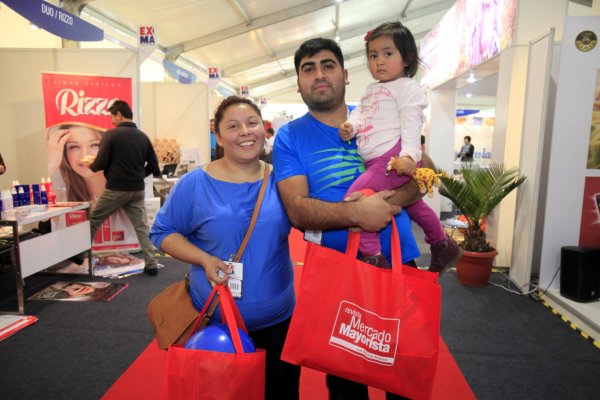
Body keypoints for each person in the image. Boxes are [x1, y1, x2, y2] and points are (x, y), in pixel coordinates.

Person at [273, 36, 434, 400]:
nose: (319, 75)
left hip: (397, 259)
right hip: (336, 271)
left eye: (328, 65)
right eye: (308, 69)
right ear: (298, 83)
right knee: (345, 379)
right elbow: (297, 209)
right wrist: (357, 214)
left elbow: (427, 174)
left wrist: (387, 203)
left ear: (346, 75)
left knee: (404, 372)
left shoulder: (384, 107)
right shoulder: (289, 137)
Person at [150, 96, 300, 399]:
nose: (245, 131)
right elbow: (162, 232)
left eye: (252, 123)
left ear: (264, 129)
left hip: (279, 322)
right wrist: (204, 259)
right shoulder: (195, 184)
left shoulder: (282, 180)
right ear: (217, 135)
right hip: (214, 325)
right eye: (233, 126)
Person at [339, 21, 461, 271]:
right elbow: (361, 114)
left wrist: (409, 156)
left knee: (354, 201)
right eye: (373, 56)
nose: (379, 61)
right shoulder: (371, 90)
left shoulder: (407, 88)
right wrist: (350, 125)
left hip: (392, 158)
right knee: (414, 204)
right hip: (376, 160)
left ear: (406, 59)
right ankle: (441, 244)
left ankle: (372, 255)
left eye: (388, 53)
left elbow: (411, 124)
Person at [82, 100, 161, 276]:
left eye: (112, 117)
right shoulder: (143, 137)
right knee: (141, 227)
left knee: (94, 219)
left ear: (119, 114)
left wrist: (90, 165)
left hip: (116, 189)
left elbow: (100, 163)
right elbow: (155, 168)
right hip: (137, 190)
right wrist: (138, 174)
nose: (111, 121)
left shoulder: (111, 135)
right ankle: (151, 263)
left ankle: (80, 255)